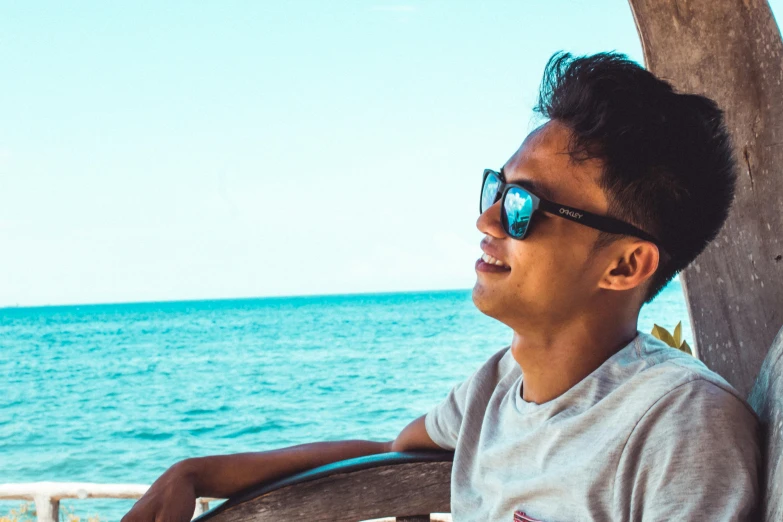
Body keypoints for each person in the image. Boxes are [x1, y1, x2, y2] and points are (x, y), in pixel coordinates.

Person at [121, 51, 760, 522]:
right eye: (497, 189)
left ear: (624, 267)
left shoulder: (679, 425)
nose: (486, 220)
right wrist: (197, 473)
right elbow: (387, 450)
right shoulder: (496, 390)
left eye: (524, 207)